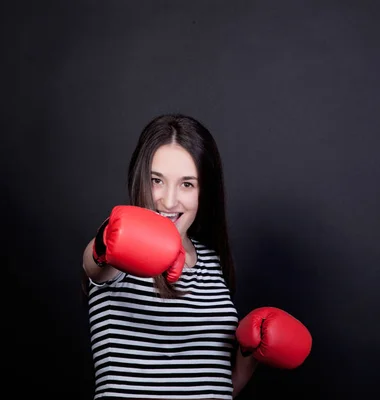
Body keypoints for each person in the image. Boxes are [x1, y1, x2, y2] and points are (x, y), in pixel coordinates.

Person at [81, 114, 312, 399]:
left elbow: (215, 386)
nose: (168, 200)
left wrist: (250, 353)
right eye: (157, 180)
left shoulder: (211, 262)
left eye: (187, 184)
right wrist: (106, 242)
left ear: (205, 190)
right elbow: (93, 266)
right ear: (140, 177)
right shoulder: (120, 245)